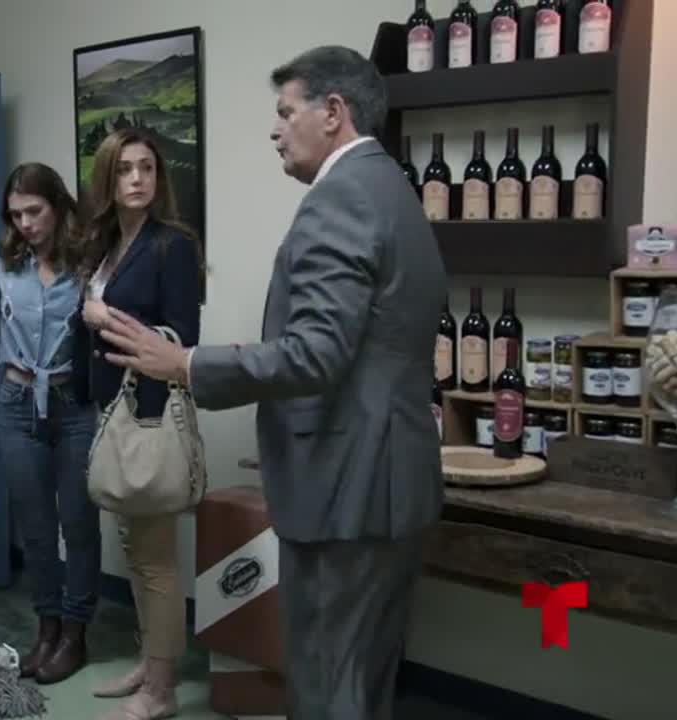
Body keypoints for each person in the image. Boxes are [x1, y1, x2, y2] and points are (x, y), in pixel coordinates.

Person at [95, 45, 446, 720]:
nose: (275, 130)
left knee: (326, 687)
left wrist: (186, 364)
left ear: (333, 112)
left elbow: (316, 353)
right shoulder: (391, 187)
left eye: (286, 112)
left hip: (347, 492)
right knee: (364, 683)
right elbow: (364, 350)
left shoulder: (340, 199)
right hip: (386, 479)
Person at [80, 127, 203, 720]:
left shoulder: (170, 245)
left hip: (149, 414)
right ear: (108, 177)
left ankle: (162, 690)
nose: (137, 179)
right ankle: (149, 663)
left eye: (147, 168)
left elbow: (183, 339)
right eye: (126, 169)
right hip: (113, 412)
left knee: (155, 560)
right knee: (134, 550)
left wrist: (103, 316)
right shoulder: (106, 245)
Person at [0, 163, 99, 684]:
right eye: (15, 214)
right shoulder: (1, 262)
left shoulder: (88, 260)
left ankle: (75, 634)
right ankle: (46, 630)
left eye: (34, 211)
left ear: (58, 206)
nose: (25, 223)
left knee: (79, 521)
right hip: (16, 400)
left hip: (73, 404)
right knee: (36, 527)